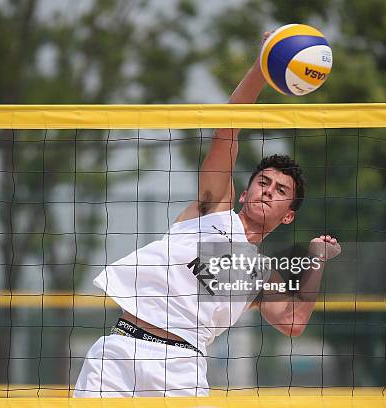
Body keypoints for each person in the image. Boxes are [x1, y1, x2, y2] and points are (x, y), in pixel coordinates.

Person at [73, 32, 341, 398]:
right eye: (263, 182)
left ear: (289, 215)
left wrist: (317, 259)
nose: (268, 190)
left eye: (281, 191)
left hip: (181, 370)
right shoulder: (212, 209)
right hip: (119, 352)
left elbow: (293, 322)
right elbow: (226, 129)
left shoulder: (261, 273)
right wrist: (263, 66)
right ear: (245, 193)